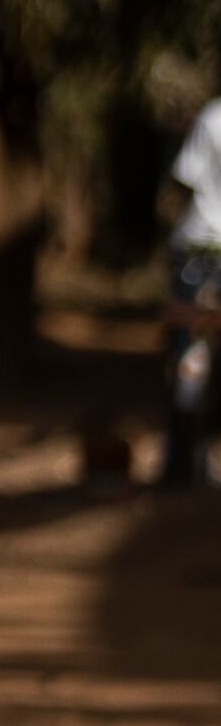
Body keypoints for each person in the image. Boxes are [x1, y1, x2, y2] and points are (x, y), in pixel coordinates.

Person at [157, 82, 221, 488]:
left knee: (193, 356)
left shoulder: (213, 116)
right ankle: (184, 460)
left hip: (197, 250)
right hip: (203, 251)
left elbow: (182, 184)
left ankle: (186, 459)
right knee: (194, 357)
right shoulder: (215, 116)